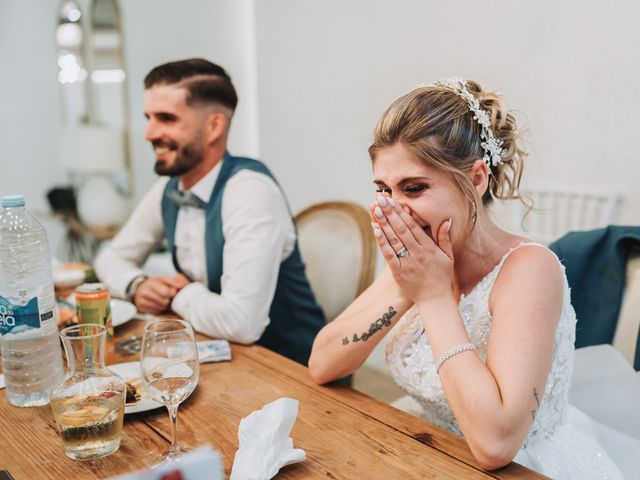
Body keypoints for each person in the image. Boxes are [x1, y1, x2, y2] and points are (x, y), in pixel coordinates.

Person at [308, 78, 640, 478]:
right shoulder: (419, 259)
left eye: (414, 188)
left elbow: (495, 445)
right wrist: (404, 288)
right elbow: (322, 364)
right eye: (384, 190)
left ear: (476, 179)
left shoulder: (529, 270)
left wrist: (432, 297)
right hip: (424, 448)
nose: (396, 210)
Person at [95, 58, 324, 366]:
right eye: (148, 117)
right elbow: (109, 257)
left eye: (166, 118)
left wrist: (179, 294)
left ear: (214, 125)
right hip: (220, 359)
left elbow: (242, 324)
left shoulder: (250, 191)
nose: (149, 133)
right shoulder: (168, 187)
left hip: (291, 368)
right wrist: (138, 285)